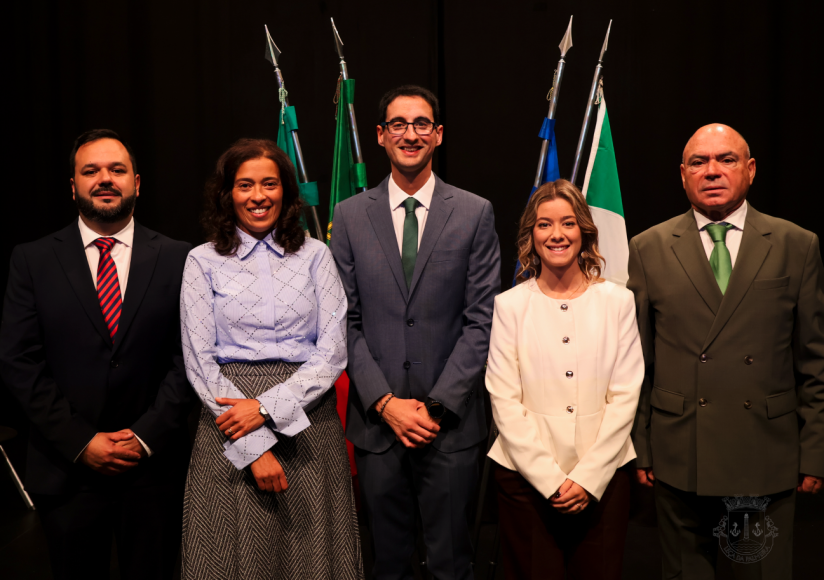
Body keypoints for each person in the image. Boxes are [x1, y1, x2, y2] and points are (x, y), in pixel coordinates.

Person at [628, 124, 824, 579]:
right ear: (682, 175)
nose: (712, 171)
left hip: (766, 453)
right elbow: (637, 361)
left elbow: (814, 361)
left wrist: (815, 451)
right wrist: (641, 445)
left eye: (726, 159)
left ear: (750, 170)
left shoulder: (797, 244)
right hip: (680, 455)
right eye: (699, 162)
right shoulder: (649, 247)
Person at [0, 129, 195, 579]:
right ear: (73, 186)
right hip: (66, 470)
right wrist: (81, 441)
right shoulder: (31, 260)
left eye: (117, 170)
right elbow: (18, 361)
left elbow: (189, 358)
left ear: (137, 183)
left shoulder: (181, 257)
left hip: (153, 471)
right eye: (91, 171)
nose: (105, 178)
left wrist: (144, 436)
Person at [330, 85, 501, 580]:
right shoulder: (349, 215)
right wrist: (386, 404)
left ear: (438, 134)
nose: (410, 134)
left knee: (452, 566)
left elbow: (481, 320)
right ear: (380, 135)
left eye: (422, 123)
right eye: (398, 124)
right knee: (388, 566)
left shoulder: (474, 212)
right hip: (377, 428)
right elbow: (343, 320)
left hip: (450, 428)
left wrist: (437, 407)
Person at [180, 138, 363, 580]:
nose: (258, 195)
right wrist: (253, 445)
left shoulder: (316, 255)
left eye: (269, 183)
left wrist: (264, 408)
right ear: (227, 193)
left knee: (313, 561)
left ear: (286, 191)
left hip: (309, 419)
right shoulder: (201, 261)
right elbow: (199, 361)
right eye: (245, 185)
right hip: (227, 419)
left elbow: (332, 350)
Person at [486, 179, 644, 579]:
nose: (556, 234)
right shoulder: (509, 305)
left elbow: (626, 395)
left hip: (604, 481)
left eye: (568, 223)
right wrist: (549, 479)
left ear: (584, 231)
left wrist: (588, 478)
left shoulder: (619, 302)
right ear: (531, 234)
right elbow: (503, 400)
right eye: (545, 224)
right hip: (524, 483)